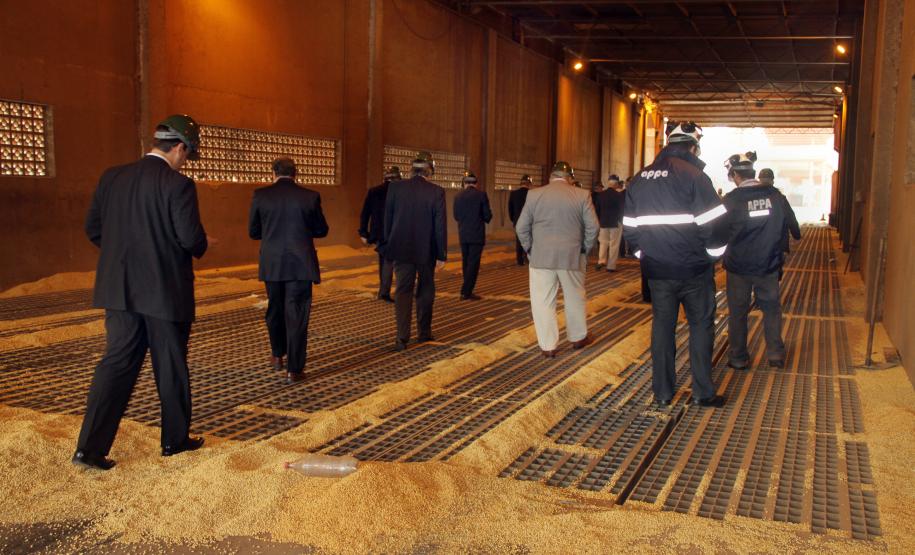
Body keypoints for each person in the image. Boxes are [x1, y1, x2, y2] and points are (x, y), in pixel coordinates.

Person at [73, 114, 209, 470]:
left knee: (116, 364)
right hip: (165, 290)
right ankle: (174, 441)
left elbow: (94, 228)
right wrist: (201, 243)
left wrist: (125, 254)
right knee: (170, 365)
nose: (184, 162)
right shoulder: (178, 185)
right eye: (186, 155)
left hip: (118, 289)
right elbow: (190, 238)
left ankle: (89, 449)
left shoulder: (112, 177)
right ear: (179, 148)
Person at [622, 121, 728, 408]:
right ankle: (703, 392)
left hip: (658, 272)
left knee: (662, 329)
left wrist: (646, 256)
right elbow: (714, 225)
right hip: (695, 271)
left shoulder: (639, 178)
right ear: (694, 147)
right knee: (701, 328)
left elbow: (630, 228)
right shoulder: (695, 176)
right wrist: (712, 257)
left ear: (668, 143)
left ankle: (662, 393)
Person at [249, 157, 329, 384]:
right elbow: (321, 230)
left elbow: (253, 232)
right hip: (300, 264)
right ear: (296, 173)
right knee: (297, 314)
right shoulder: (310, 196)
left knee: (274, 309)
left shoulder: (261, 195)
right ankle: (294, 370)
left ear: (273, 173)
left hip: (273, 263)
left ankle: (277, 355)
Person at [720, 154, 801, 370]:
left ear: (735, 175)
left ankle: (738, 357)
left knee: (738, 313)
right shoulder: (776, 196)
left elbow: (719, 232)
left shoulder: (730, 200)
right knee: (771, 310)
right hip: (768, 265)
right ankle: (775, 354)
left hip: (738, 267)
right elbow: (788, 224)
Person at [516, 161, 599, 357]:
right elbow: (593, 227)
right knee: (574, 297)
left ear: (551, 176)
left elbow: (521, 227)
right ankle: (578, 337)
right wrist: (584, 249)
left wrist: (530, 249)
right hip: (572, 257)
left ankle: (548, 346)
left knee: (542, 301)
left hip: (541, 257)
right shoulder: (582, 195)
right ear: (569, 178)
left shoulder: (534, 195)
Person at [380, 151, 447, 351]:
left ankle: (401, 338)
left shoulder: (395, 188)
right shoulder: (436, 192)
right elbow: (440, 226)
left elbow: (388, 220)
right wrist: (441, 254)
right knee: (425, 290)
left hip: (400, 248)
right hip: (426, 250)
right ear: (430, 171)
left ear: (412, 169)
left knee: (403, 290)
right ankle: (424, 332)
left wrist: (388, 245)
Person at [358, 166, 401, 302]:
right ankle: (400, 291)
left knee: (385, 261)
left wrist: (363, 232)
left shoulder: (374, 191)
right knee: (400, 263)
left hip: (380, 233)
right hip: (398, 232)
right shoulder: (402, 193)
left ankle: (384, 291)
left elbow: (365, 213)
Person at [453, 170, 492, 300]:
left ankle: (467, 289)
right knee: (473, 264)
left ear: (464, 183)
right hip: (476, 235)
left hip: (463, 234)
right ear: (476, 183)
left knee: (466, 262)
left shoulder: (458, 196)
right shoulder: (481, 195)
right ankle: (466, 291)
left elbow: (456, 216)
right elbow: (487, 216)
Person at [758, 168, 800, 256]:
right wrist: (796, 234)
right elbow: (790, 217)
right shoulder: (780, 198)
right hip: (778, 244)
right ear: (772, 181)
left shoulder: (752, 199)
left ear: (759, 180)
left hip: (758, 244)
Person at [595, 174, 625, 272]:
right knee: (614, 245)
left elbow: (597, 210)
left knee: (603, 243)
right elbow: (622, 210)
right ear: (616, 184)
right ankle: (611, 266)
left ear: (608, 183)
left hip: (603, 222)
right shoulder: (619, 196)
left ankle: (601, 261)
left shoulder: (601, 195)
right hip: (615, 223)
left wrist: (599, 221)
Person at [508, 175, 532, 265]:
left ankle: (519, 260)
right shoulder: (531, 194)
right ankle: (527, 258)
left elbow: (510, 208)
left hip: (517, 220)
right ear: (528, 184)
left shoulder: (514, 194)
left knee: (519, 240)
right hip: (529, 221)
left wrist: (513, 219)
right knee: (529, 239)